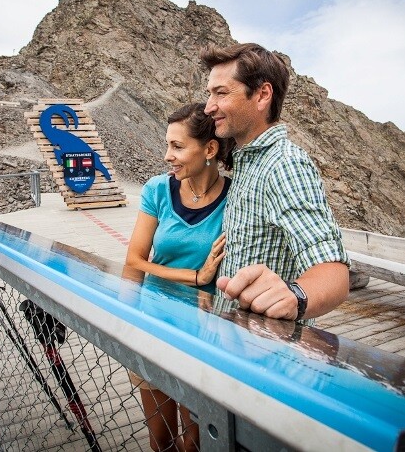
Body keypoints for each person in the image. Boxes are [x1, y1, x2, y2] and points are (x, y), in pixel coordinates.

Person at [201, 43, 350, 325]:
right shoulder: (248, 161)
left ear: (262, 95)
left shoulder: (284, 165)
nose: (209, 106)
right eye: (210, 94)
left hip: (266, 351)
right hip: (235, 338)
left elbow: (334, 273)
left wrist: (295, 297)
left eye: (221, 93)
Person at [125, 102, 233, 452]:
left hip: (202, 334)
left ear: (210, 149)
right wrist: (127, 322)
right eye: (167, 144)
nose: (167, 155)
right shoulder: (158, 189)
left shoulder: (236, 199)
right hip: (151, 322)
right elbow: (134, 260)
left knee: (193, 441)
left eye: (177, 146)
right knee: (160, 441)